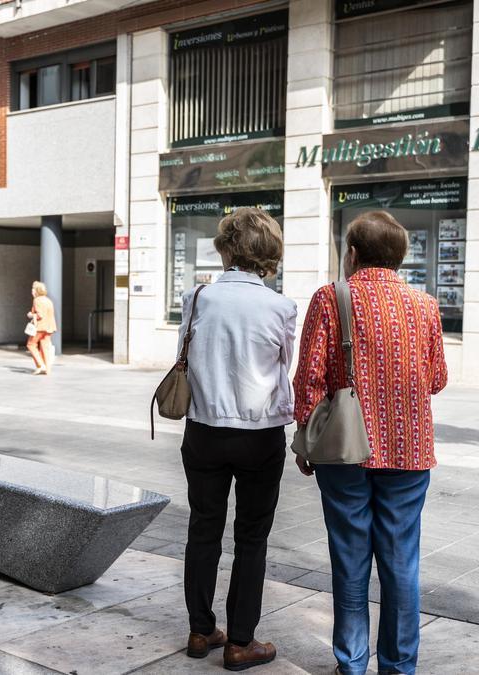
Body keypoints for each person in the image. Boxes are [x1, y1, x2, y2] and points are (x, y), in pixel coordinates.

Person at [292, 211, 447, 675]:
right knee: (402, 562)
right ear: (400, 257)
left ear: (353, 254)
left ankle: (352, 663)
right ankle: (399, 666)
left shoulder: (331, 297)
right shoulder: (425, 306)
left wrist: (305, 438)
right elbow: (437, 379)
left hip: (343, 450)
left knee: (350, 558)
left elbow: (309, 379)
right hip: (410, 449)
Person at [178, 208, 295, 671]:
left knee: (203, 528)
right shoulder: (281, 307)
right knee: (251, 538)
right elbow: (282, 364)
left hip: (204, 428)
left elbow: (185, 355)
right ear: (269, 252)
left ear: (225, 248)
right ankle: (240, 641)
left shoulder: (198, 297)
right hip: (259, 434)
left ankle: (200, 629)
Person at [26, 281, 57, 375]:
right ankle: (47, 369)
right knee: (45, 347)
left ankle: (40, 365)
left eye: (33, 288)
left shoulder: (37, 300)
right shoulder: (48, 300)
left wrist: (31, 315)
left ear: (37, 290)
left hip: (41, 327)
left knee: (30, 344)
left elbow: (40, 315)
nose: (32, 290)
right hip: (49, 327)